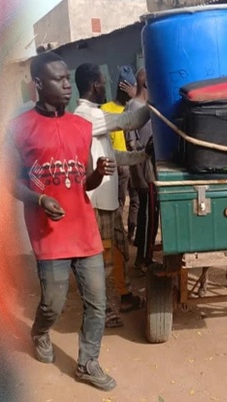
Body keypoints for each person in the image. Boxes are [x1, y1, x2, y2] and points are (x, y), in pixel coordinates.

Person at [3, 52, 117, 391]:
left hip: (84, 231)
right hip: (49, 234)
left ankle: (88, 363)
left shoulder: (81, 127)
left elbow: (84, 182)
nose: (67, 85)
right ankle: (39, 331)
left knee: (97, 303)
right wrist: (39, 199)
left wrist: (96, 174)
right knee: (52, 303)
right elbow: (10, 182)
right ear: (38, 84)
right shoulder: (19, 129)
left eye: (68, 79)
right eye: (58, 79)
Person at [73, 63, 152, 328]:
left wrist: (142, 155)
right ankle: (101, 308)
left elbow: (112, 156)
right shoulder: (85, 115)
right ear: (95, 85)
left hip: (107, 199)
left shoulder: (95, 114)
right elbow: (129, 121)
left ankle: (124, 295)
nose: (106, 85)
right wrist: (153, 103)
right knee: (101, 259)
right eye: (103, 81)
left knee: (119, 251)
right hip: (96, 200)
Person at [124, 68, 158, 271]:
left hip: (152, 170)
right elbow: (132, 143)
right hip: (144, 171)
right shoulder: (133, 108)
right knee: (148, 213)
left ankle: (145, 253)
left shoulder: (148, 106)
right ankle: (142, 259)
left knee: (152, 213)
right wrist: (140, 175)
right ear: (146, 84)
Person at [100, 66, 138, 242]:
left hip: (134, 161)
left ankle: (130, 233)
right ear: (122, 88)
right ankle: (118, 235)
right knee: (119, 202)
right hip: (118, 164)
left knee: (135, 201)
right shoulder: (105, 109)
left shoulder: (132, 108)